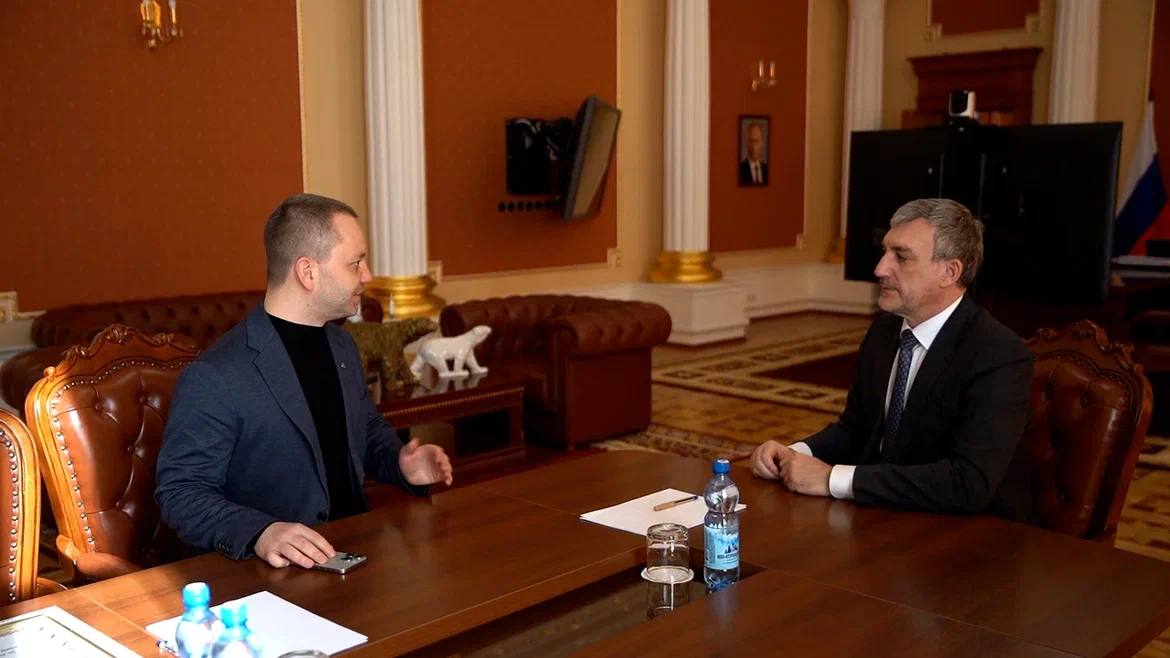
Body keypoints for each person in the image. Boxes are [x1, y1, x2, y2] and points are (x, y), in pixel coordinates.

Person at [156, 194, 453, 569]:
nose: (367, 276)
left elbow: (364, 429)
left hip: (356, 554)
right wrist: (261, 532)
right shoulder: (216, 375)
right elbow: (181, 493)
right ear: (307, 272)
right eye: (356, 263)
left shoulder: (342, 344)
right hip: (273, 575)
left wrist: (400, 463)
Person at [749, 198, 1035, 521]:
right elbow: (856, 429)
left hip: (972, 531)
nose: (880, 269)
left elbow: (967, 482)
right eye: (885, 252)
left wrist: (832, 478)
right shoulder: (884, 331)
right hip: (888, 514)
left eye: (901, 256)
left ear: (949, 271)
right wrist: (794, 454)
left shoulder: (998, 354)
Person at [739, 122, 768, 186]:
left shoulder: (767, 169)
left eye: (756, 141)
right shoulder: (740, 169)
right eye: (751, 141)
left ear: (762, 143)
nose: (753, 146)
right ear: (747, 143)